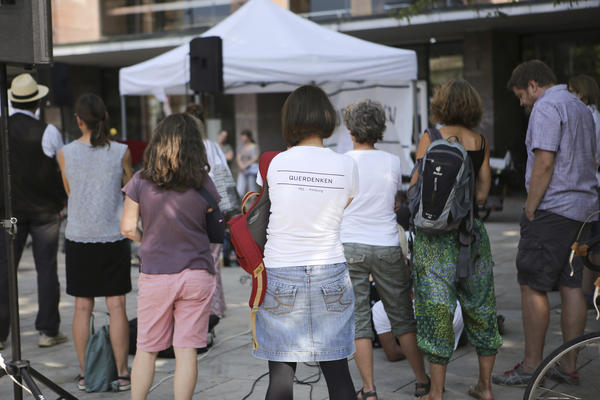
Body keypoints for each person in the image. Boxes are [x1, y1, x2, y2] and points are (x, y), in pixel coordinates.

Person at [493, 60, 597, 386]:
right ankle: (568, 366)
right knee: (572, 288)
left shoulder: (546, 107)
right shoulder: (580, 107)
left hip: (553, 212)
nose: (522, 103)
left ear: (534, 85)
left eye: (521, 95)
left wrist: (530, 208)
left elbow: (544, 161)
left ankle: (531, 366)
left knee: (532, 285)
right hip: (585, 212)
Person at [253, 85, 357, 400]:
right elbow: (344, 204)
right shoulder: (346, 165)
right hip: (330, 273)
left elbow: (263, 209)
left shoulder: (273, 164)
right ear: (327, 117)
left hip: (281, 271)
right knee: (339, 376)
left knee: (281, 379)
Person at [411, 80, 502, 400]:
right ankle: (486, 387)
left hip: (434, 241)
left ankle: (436, 392)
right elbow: (482, 192)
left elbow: (416, 188)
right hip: (471, 236)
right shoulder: (479, 141)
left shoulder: (430, 137)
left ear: (441, 104)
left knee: (437, 310)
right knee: (481, 307)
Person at [121, 113, 217, 400]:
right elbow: (212, 225)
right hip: (197, 273)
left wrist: (147, 237)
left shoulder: (140, 180)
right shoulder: (203, 181)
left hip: (156, 275)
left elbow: (127, 228)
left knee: (147, 349)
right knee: (186, 350)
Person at [340, 99, 429, 399]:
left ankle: (369, 389)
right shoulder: (392, 161)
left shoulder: (342, 162)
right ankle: (421, 379)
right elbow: (392, 200)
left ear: (351, 130)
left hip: (350, 244)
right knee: (402, 315)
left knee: (359, 320)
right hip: (388, 244)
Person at [57, 93, 133, 390]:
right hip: (113, 236)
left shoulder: (64, 152)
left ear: (78, 121)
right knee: (116, 305)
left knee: (82, 307)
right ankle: (123, 372)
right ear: (105, 118)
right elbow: (128, 189)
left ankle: (86, 372)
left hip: (79, 236)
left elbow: (69, 191)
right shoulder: (121, 151)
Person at [0, 73, 67, 350]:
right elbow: (62, 171)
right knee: (46, 269)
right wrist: (63, 202)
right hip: (45, 212)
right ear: (37, 103)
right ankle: (48, 330)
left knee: (4, 272)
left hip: (10, 212)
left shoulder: (1, 128)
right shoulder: (48, 131)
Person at [185, 103, 227, 320]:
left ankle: (202, 311)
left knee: (194, 264)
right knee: (212, 262)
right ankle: (215, 309)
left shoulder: (182, 150)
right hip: (213, 209)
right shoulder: (212, 147)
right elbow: (224, 177)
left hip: (189, 211)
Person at [568, 74, 600, 310]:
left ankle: (589, 292)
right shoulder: (595, 114)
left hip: (592, 184)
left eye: (572, 90)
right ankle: (590, 292)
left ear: (582, 92)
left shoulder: (586, 115)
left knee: (590, 241)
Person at [236, 129, 259, 197]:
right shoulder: (241, 146)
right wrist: (241, 166)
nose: (242, 137)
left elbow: (255, 158)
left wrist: (245, 165)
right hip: (242, 170)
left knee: (252, 190)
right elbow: (238, 158)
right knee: (240, 190)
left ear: (248, 137)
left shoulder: (254, 146)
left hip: (251, 170)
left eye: (244, 136)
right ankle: (242, 206)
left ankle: (253, 206)